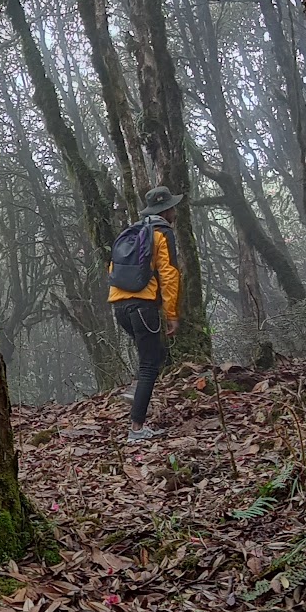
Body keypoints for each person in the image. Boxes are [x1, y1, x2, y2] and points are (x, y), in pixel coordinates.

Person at [108, 185, 183, 444]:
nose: (174, 211)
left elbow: (113, 268)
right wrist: (172, 313)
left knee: (155, 354)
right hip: (143, 306)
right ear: (166, 210)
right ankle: (136, 429)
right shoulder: (162, 233)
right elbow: (170, 274)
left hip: (120, 306)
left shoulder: (133, 231)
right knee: (151, 362)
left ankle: (135, 389)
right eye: (172, 207)